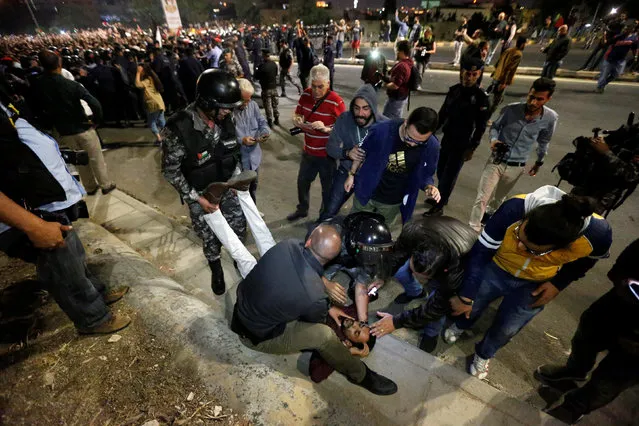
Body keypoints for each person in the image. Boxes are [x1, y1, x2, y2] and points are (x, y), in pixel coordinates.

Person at [444, 186, 613, 380]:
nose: (519, 246)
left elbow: (588, 259)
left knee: (508, 328)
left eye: (532, 251)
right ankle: (460, 325)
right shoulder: (514, 209)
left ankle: (484, 354)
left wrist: (558, 284)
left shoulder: (598, 234)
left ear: (562, 247)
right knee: (473, 304)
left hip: (537, 282)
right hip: (496, 268)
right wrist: (466, 296)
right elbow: (480, 253)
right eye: (518, 235)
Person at [0, 98, 130, 336]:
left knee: (73, 256)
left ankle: (97, 294)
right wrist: (32, 225)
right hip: (27, 213)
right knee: (62, 269)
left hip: (43, 201)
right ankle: (93, 319)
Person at [230, 224, 398, 396]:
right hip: (254, 336)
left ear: (309, 240)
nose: (355, 325)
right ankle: (361, 375)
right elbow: (315, 319)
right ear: (331, 259)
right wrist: (325, 307)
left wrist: (326, 303)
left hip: (242, 307)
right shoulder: (315, 295)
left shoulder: (287, 244)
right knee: (323, 336)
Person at [161, 69, 275, 295]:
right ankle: (216, 269)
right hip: (200, 193)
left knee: (238, 228)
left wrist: (238, 181)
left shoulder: (224, 117)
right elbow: (171, 172)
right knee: (209, 236)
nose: (229, 112)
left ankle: (239, 262)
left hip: (227, 186)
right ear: (206, 102)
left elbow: (232, 153)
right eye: (224, 107)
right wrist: (198, 199)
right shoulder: (178, 128)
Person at [534, 239, 639, 424]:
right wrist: (622, 279)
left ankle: (575, 407)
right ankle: (575, 369)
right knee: (588, 331)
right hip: (623, 303)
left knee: (614, 377)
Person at [370, 216, 477, 353]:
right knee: (401, 272)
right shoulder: (413, 231)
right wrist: (383, 276)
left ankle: (431, 333)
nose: (415, 276)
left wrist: (395, 322)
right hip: (440, 235)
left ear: (437, 273)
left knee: (437, 302)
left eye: (423, 278)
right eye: (414, 270)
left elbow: (436, 308)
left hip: (466, 252)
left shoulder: (455, 272)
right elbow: (396, 254)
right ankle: (416, 292)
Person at [468, 78, 558, 232]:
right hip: (496, 161)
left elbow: (544, 142)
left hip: (517, 166)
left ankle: (488, 216)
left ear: (548, 99)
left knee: (498, 199)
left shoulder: (550, 118)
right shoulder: (511, 109)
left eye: (539, 99)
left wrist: (539, 162)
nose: (533, 102)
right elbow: (496, 127)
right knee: (482, 197)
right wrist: (494, 140)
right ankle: (473, 229)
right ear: (529, 92)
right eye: (532, 96)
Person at [29, 50, 115, 196]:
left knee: (80, 161)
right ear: (59, 64)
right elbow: (95, 104)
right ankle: (105, 184)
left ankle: (90, 187)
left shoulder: (38, 86)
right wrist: (96, 121)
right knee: (96, 158)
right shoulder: (71, 85)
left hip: (63, 131)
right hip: (83, 128)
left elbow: (34, 108)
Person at [344, 107, 441, 226]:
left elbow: (427, 173)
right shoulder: (382, 130)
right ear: (406, 122)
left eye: (419, 142)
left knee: (382, 234)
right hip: (367, 191)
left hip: (393, 201)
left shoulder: (432, 146)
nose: (412, 144)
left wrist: (429, 186)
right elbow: (361, 152)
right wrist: (352, 174)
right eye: (409, 137)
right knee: (354, 225)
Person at [424, 57, 489, 217]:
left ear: (479, 74)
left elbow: (480, 127)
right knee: (440, 170)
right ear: (462, 72)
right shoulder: (455, 91)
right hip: (448, 138)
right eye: (467, 73)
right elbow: (443, 114)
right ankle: (442, 197)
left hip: (462, 143)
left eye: (474, 74)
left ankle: (440, 204)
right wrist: (430, 133)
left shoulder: (481, 98)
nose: (470, 77)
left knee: (449, 175)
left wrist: (472, 147)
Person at [287, 65, 346, 222]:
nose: (316, 90)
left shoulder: (336, 102)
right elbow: (298, 113)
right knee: (302, 183)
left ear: (328, 83)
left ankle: (324, 216)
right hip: (308, 151)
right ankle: (302, 209)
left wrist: (326, 129)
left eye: (320, 87)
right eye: (313, 86)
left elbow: (344, 128)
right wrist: (297, 120)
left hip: (327, 155)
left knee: (327, 189)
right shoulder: (306, 95)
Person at [322, 85, 386, 221]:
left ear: (373, 108)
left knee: (370, 216)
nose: (360, 113)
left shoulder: (384, 125)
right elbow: (330, 148)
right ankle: (320, 231)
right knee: (330, 209)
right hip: (346, 171)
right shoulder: (344, 119)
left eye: (365, 108)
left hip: (372, 177)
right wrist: (346, 153)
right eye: (356, 108)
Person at [320, 212, 394, 323]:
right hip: (333, 258)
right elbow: (307, 265)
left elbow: (362, 286)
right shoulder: (331, 237)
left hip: (350, 258)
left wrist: (363, 322)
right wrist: (326, 284)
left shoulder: (372, 252)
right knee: (316, 286)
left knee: (364, 289)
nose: (371, 262)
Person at [234, 78, 270, 204]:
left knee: (253, 187)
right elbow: (224, 137)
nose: (246, 104)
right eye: (243, 100)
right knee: (239, 190)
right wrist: (241, 140)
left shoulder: (253, 105)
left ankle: (252, 211)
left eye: (249, 100)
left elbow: (261, 121)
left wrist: (265, 131)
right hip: (238, 160)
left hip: (253, 158)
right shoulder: (228, 112)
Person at [486, 36, 526, 119]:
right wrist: (503, 82)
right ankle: (486, 118)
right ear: (522, 44)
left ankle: (484, 115)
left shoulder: (508, 50)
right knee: (496, 101)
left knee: (490, 96)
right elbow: (509, 69)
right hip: (501, 80)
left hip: (496, 76)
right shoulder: (518, 54)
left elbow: (497, 63)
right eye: (524, 43)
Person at [596, 25, 638, 94]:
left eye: (627, 28)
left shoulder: (634, 39)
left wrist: (635, 57)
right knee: (604, 75)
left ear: (631, 30)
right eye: (624, 28)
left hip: (620, 60)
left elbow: (635, 48)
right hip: (609, 58)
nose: (625, 30)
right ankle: (600, 87)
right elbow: (606, 43)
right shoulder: (618, 37)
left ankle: (603, 84)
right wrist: (604, 35)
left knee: (616, 75)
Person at [381, 40, 413, 119]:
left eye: (397, 50)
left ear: (402, 51)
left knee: (387, 119)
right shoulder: (409, 62)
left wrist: (384, 85)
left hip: (396, 99)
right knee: (395, 117)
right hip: (402, 97)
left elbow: (395, 86)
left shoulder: (402, 66)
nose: (396, 52)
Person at [135, 63, 165, 144]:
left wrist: (137, 73)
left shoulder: (147, 80)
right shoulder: (152, 77)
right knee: (161, 121)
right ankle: (167, 136)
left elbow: (138, 85)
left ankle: (159, 139)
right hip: (159, 102)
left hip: (153, 104)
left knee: (152, 123)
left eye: (140, 70)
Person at [254, 49, 279, 128]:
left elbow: (256, 76)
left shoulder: (262, 66)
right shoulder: (274, 64)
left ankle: (270, 121)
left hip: (266, 89)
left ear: (264, 55)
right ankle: (277, 118)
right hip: (274, 87)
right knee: (275, 104)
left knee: (268, 105)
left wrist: (256, 70)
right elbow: (275, 73)